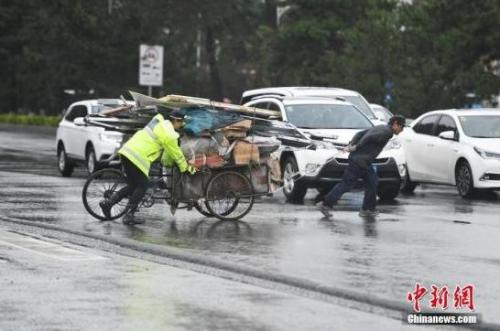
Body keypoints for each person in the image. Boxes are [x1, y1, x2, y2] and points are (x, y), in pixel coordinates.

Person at [99, 110, 197, 224]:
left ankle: (108, 204)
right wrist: (186, 168)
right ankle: (129, 215)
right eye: (181, 123)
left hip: (127, 152)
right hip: (137, 157)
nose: (182, 125)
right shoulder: (170, 135)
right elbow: (177, 155)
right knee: (142, 185)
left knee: (133, 186)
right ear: (176, 120)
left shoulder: (158, 122)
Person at [318, 115, 405, 218]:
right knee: (346, 184)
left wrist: (352, 144)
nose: (402, 130)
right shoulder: (387, 132)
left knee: (372, 182)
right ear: (395, 124)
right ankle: (325, 204)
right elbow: (369, 137)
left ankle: (367, 209)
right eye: (401, 126)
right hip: (359, 162)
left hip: (364, 162)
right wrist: (356, 147)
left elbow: (360, 134)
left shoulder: (380, 127)